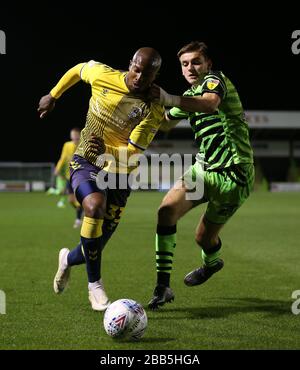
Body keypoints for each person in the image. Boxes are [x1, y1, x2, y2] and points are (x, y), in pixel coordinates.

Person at [38, 47, 164, 311]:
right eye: (137, 68)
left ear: (155, 75)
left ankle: (66, 260)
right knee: (94, 206)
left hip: (120, 172)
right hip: (85, 160)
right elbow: (77, 69)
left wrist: (106, 151)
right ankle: (95, 286)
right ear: (130, 64)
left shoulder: (153, 108)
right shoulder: (103, 74)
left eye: (147, 73)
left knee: (91, 247)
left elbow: (133, 153)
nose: (139, 76)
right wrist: (53, 95)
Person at [148, 41, 254, 309]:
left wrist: (167, 98)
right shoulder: (189, 95)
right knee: (165, 211)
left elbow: (209, 104)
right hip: (203, 169)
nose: (190, 68)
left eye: (196, 61)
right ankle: (162, 287)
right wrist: (138, 106)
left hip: (234, 175)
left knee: (203, 239)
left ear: (208, 63)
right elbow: (166, 123)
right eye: (185, 64)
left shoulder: (216, 81)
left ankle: (211, 263)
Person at [47, 127, 84, 228]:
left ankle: (78, 219)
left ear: (80, 136)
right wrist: (58, 168)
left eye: (76, 136)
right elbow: (63, 158)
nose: (74, 138)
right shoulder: (67, 145)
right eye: (73, 136)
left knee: (79, 198)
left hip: (81, 176)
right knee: (71, 200)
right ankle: (81, 210)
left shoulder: (83, 146)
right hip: (69, 177)